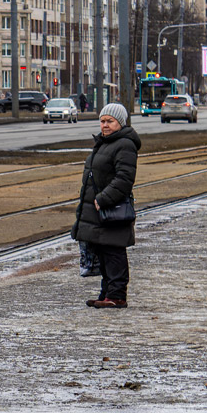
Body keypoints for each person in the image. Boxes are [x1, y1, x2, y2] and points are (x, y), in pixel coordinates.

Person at [72, 102, 141, 308]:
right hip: (99, 210)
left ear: (120, 123)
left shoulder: (125, 145)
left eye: (110, 121)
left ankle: (117, 296)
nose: (105, 125)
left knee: (114, 251)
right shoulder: (105, 142)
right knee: (103, 251)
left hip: (111, 208)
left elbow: (125, 178)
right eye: (102, 121)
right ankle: (106, 294)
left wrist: (103, 198)